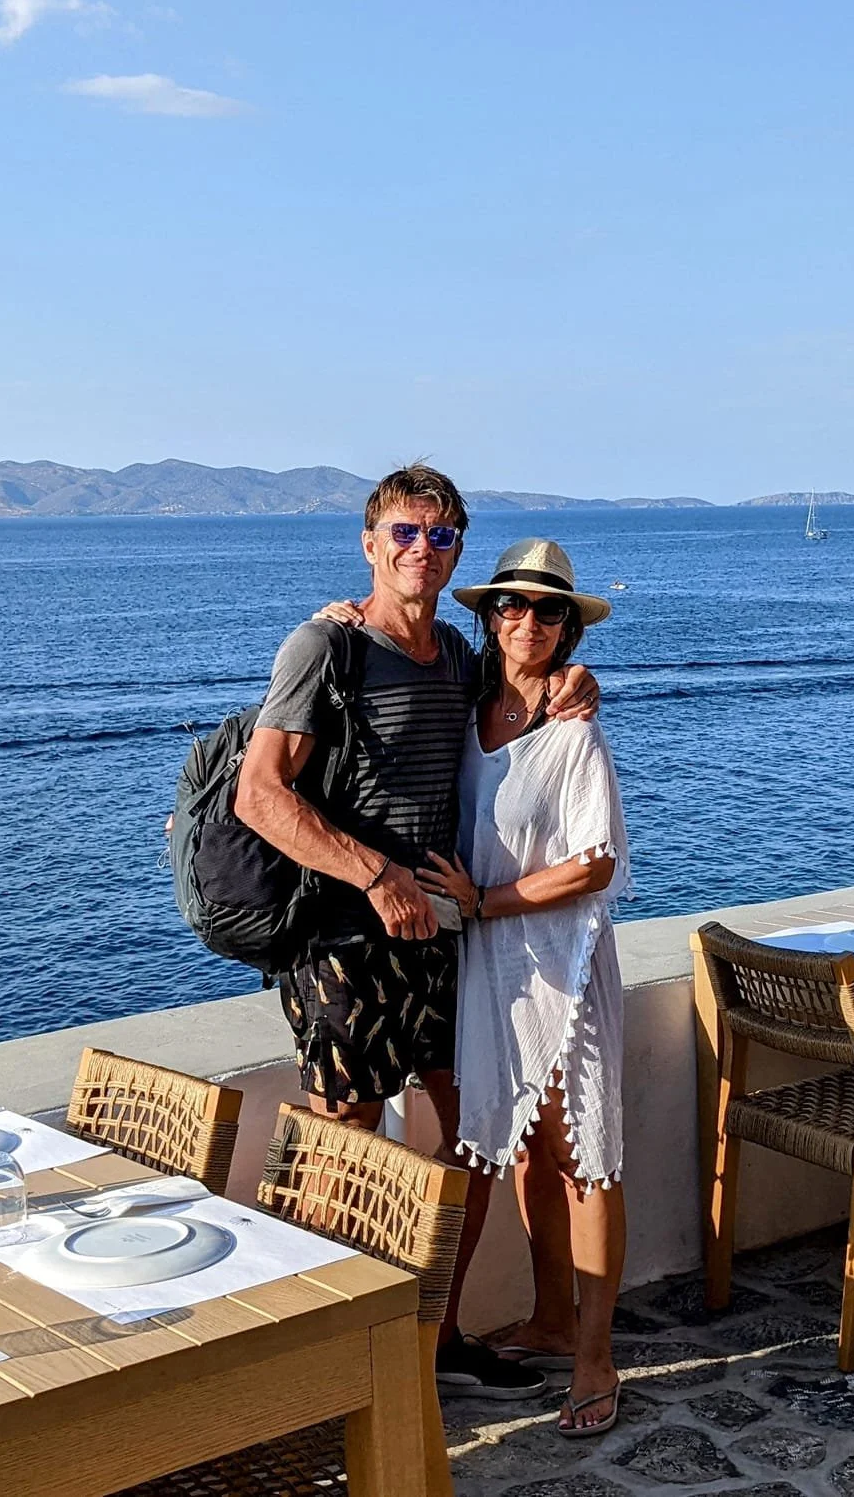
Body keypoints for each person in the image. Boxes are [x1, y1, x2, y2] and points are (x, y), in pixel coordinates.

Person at [234, 463, 597, 1402]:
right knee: (343, 1148)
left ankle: (432, 1335)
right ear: (370, 543)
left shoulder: (459, 660)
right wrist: (374, 874)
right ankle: (331, 1366)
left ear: (457, 551)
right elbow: (260, 794)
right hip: (344, 946)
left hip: (442, 944)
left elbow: (522, 689)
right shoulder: (324, 647)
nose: (420, 549)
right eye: (403, 532)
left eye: (439, 536)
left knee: (476, 1134)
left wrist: (576, 677)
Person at [414, 538, 631, 1439]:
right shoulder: (469, 704)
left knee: (582, 1155)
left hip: (562, 962)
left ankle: (594, 1356)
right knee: (528, 1149)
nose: (529, 621)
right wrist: (336, 619)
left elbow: (594, 864)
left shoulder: (575, 731)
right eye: (513, 604)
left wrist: (484, 902)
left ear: (569, 628)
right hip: (493, 965)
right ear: (490, 617)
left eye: (550, 610)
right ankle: (549, 1318)